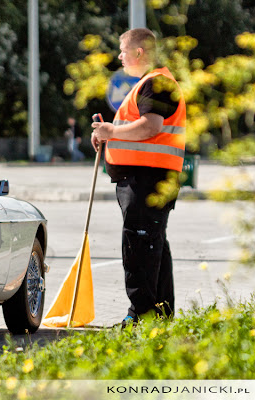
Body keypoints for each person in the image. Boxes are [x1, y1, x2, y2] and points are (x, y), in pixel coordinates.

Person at [90, 28, 186, 327]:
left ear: (139, 52)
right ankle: (160, 315)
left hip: (147, 180)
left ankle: (141, 318)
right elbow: (140, 130)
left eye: (122, 50)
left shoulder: (156, 83)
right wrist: (108, 139)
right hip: (148, 178)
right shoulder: (151, 84)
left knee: (140, 249)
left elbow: (150, 126)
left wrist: (111, 132)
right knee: (153, 246)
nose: (119, 56)